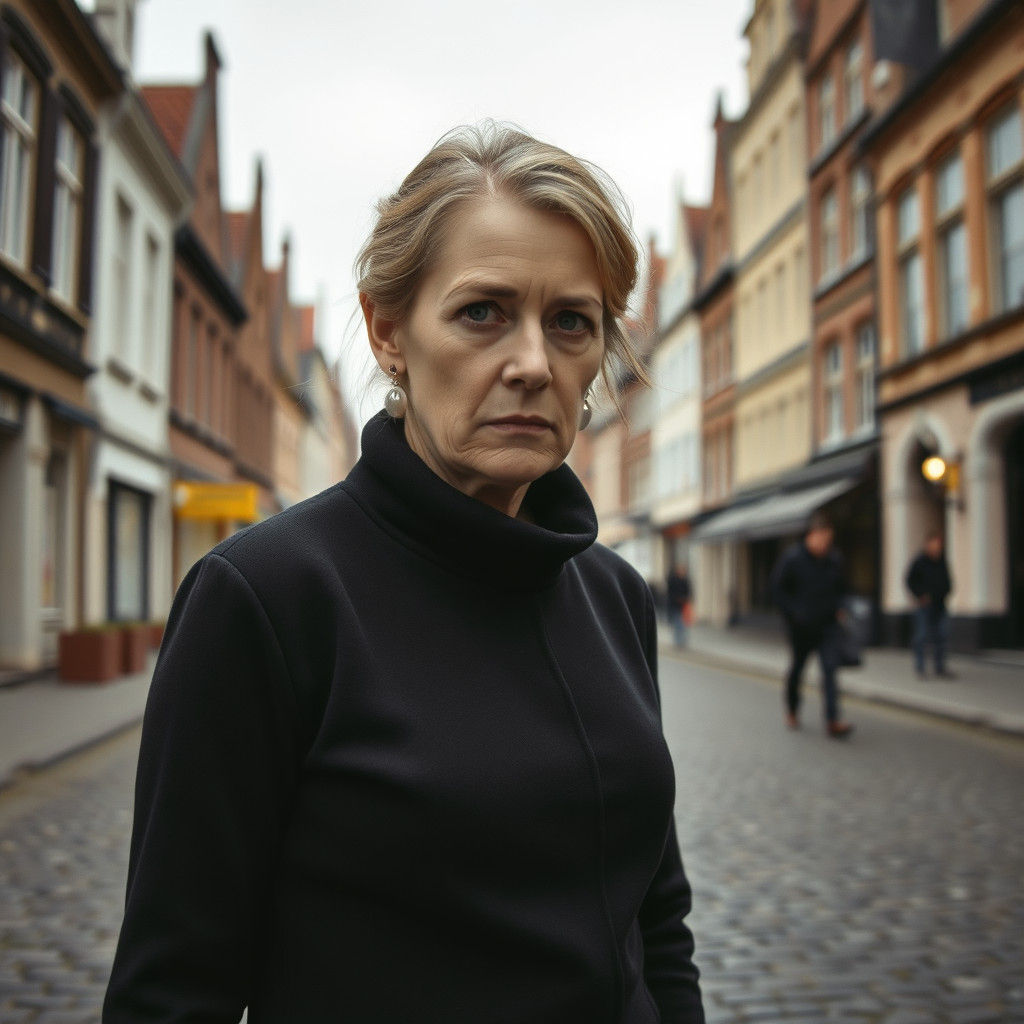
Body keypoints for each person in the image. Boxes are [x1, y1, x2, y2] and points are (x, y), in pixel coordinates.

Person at [103, 124, 705, 1023]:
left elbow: (657, 919)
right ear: (389, 332)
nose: (534, 364)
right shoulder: (268, 599)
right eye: (482, 312)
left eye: (571, 322)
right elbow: (173, 988)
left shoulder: (615, 596)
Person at [769, 512, 855, 738]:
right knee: (797, 670)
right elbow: (778, 590)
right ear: (811, 535)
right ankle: (792, 710)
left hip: (828, 626)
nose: (825, 543)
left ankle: (832, 719)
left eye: (829, 539)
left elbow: (842, 588)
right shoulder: (793, 558)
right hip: (801, 629)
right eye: (822, 538)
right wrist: (794, 615)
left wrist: (841, 607)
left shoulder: (834, 560)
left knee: (830, 671)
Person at [905, 531, 954, 679]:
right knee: (921, 637)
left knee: (942, 636)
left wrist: (946, 592)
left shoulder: (942, 561)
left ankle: (940, 667)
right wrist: (920, 595)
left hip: (940, 604)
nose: (936, 547)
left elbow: (948, 581)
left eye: (938, 545)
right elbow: (910, 581)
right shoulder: (919, 561)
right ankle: (920, 668)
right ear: (927, 544)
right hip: (924, 606)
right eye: (934, 544)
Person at [667, 564, 694, 648]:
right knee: (677, 624)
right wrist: (677, 599)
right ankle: (678, 641)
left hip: (684, 606)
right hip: (675, 606)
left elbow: (689, 592)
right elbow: (670, 593)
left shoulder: (686, 581)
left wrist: (685, 599)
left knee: (683, 624)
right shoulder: (673, 580)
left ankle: (682, 641)